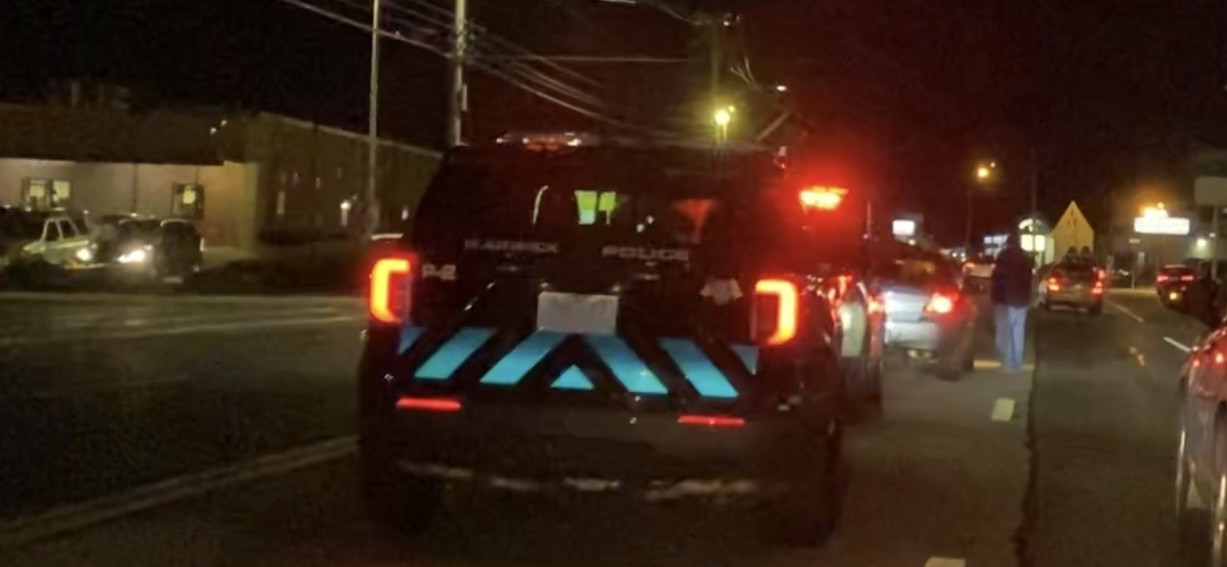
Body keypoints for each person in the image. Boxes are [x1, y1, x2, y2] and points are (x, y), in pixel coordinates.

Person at [991, 233, 1035, 372]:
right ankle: (1018, 362)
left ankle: (1009, 363)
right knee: (1018, 331)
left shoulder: (1003, 257)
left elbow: (998, 279)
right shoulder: (1025, 257)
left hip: (1007, 298)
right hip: (1021, 299)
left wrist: (996, 298)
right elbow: (1029, 279)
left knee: (1007, 330)